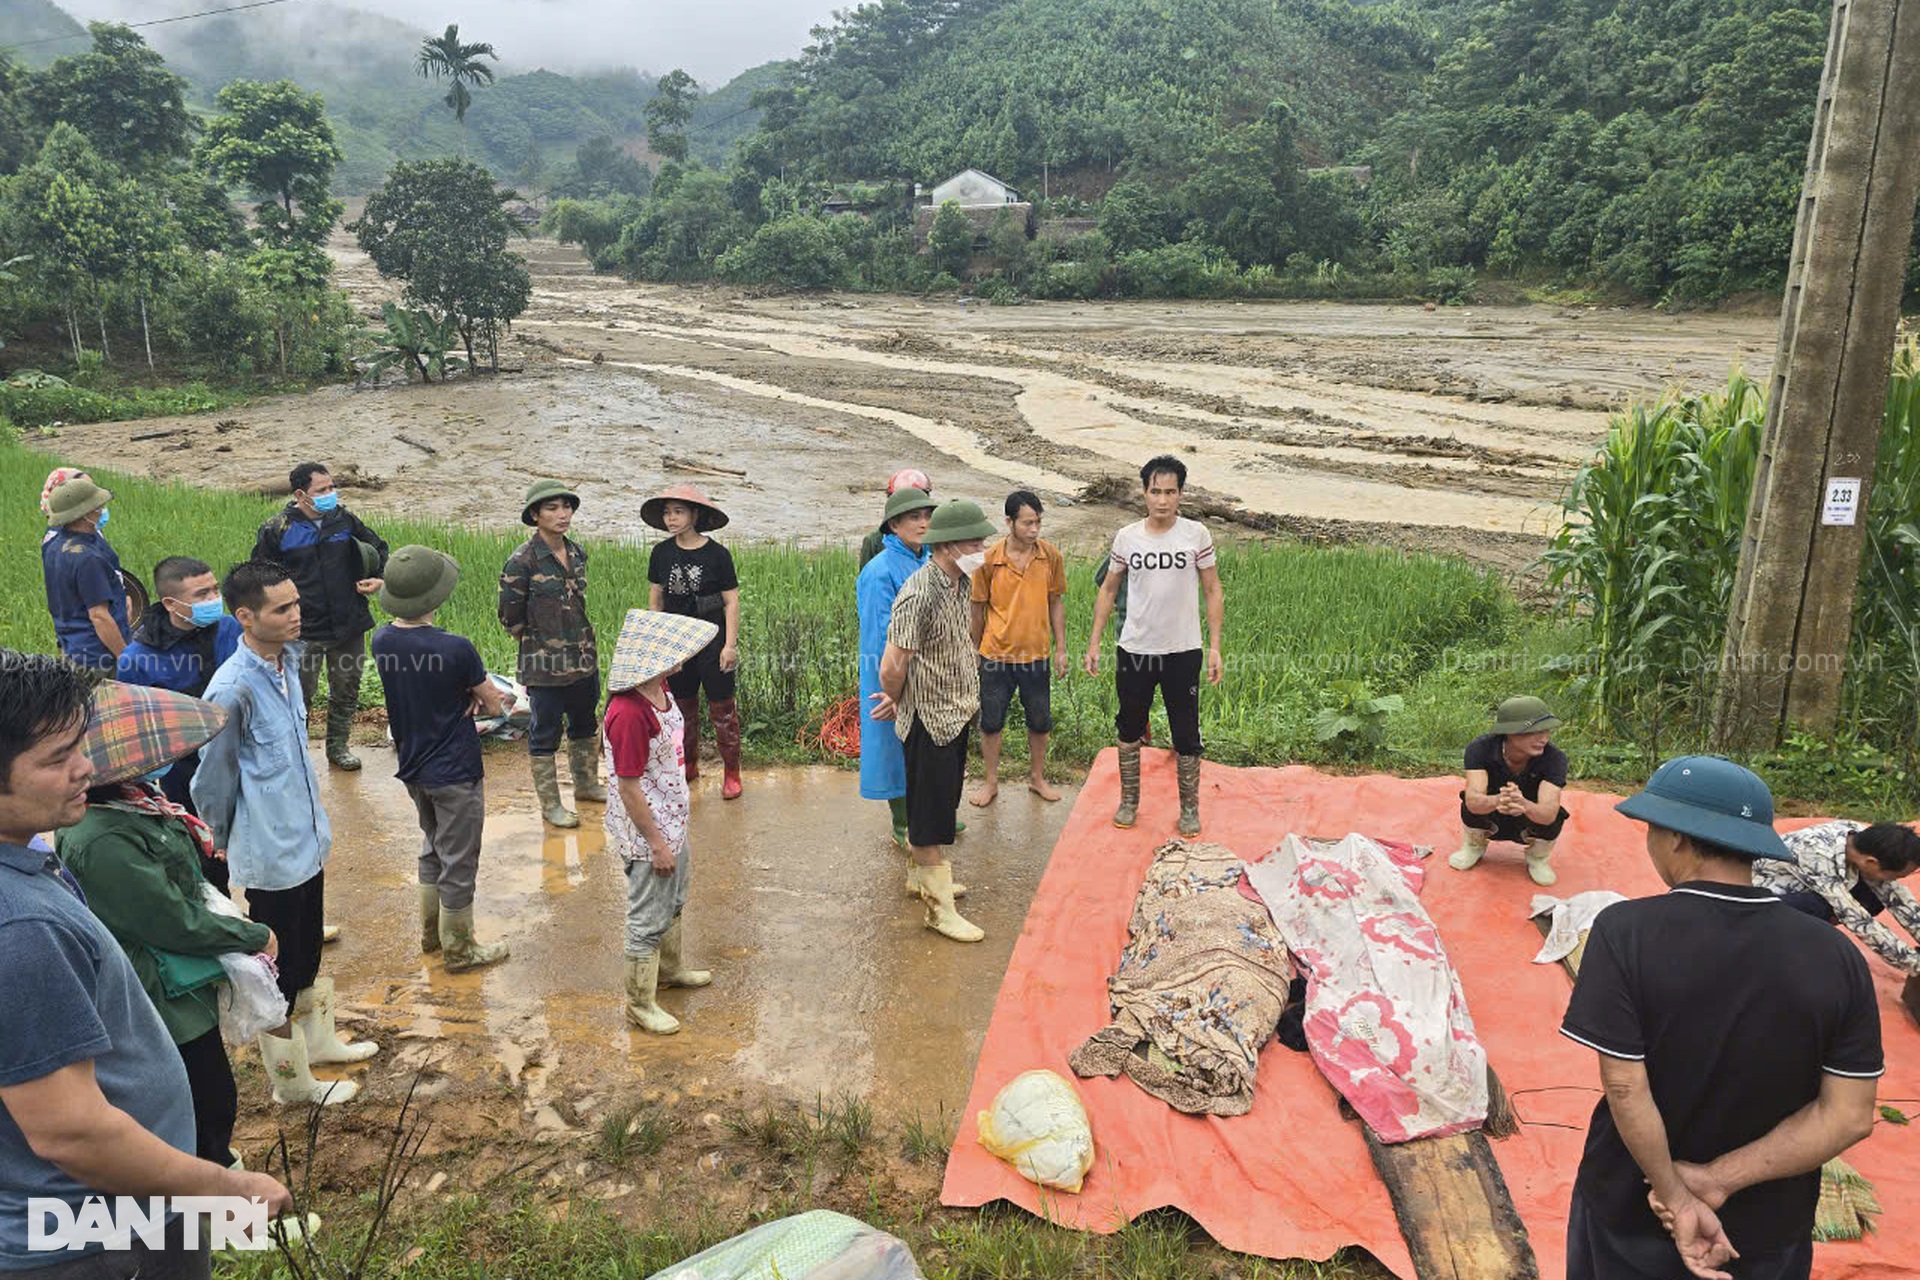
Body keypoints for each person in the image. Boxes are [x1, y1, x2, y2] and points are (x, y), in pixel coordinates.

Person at [0, 650, 291, 1278]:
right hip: (89, 1229)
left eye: (81, 745)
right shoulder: (20, 926)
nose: (85, 768)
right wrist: (223, 1190)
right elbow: (70, 1132)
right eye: (56, 760)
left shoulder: (29, 858)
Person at [1561, 755, 1881, 1280]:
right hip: (1768, 1224)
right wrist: (1717, 1180)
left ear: (1677, 839)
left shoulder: (1626, 931)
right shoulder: (1836, 954)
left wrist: (1675, 1196)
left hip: (1632, 1207)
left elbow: (1625, 1087)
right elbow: (1849, 1115)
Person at [58, 682, 276, 1170]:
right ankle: (220, 1213)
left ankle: (220, 1182)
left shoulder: (135, 799)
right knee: (202, 1100)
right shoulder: (99, 839)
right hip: (156, 987)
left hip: (178, 978)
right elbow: (169, 921)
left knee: (211, 1095)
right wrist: (254, 935)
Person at [193, 561, 377, 1107]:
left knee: (309, 954)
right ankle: (292, 1085)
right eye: (283, 609)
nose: (297, 615)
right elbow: (212, 776)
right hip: (270, 851)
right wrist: (220, 837)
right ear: (245, 616)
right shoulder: (232, 688)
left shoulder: (289, 662)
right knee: (280, 969)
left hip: (306, 839)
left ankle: (319, 1043)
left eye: (297, 603)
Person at [370, 546, 512, 973]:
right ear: (436, 597)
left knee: (432, 845)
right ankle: (460, 948)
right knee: (460, 857)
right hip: (454, 769)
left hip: (413, 764)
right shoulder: (457, 649)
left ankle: (431, 934)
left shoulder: (382, 639)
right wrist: (482, 695)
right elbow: (493, 706)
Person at [871, 499, 996, 943]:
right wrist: (897, 699)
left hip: (955, 711)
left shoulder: (958, 583)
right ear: (947, 546)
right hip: (930, 718)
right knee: (927, 816)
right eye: (975, 542)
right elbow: (892, 663)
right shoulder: (919, 592)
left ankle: (920, 876)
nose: (983, 548)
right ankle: (938, 911)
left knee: (940, 805)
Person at [1082, 455, 1224, 837]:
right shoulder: (1128, 537)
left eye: (1171, 492)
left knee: (1186, 730)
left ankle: (1190, 808)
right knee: (1129, 726)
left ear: (1181, 494)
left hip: (1183, 650)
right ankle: (1129, 801)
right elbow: (1109, 589)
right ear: (1144, 493)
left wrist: (1214, 646)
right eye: (1155, 491)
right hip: (1135, 649)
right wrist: (1094, 641)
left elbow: (1212, 589)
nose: (1163, 500)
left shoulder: (1196, 535)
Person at [602, 609, 721, 1036]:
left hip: (671, 818)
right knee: (646, 916)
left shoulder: (660, 689)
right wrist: (656, 844)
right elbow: (629, 786)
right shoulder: (629, 713)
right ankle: (639, 1003)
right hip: (647, 830)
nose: (682, 658)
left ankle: (669, 971)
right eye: (674, 653)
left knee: (673, 900)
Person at [252, 462, 388, 771]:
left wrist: (378, 577)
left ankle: (338, 747)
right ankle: (296, 752)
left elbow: (378, 548)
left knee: (347, 688)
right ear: (301, 494)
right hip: (302, 630)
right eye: (322, 490)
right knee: (299, 695)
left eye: (331, 488)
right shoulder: (278, 529)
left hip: (349, 623)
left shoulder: (344, 520)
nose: (330, 495)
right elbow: (259, 576)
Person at [498, 479, 603, 830]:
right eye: (552, 508)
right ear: (535, 515)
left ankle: (587, 785)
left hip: (583, 657)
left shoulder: (576, 552)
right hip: (544, 667)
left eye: (567, 507)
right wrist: (541, 644)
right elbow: (509, 618)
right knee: (544, 733)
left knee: (585, 723)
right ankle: (551, 805)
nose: (563, 514)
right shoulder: (522, 562)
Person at [116, 556, 243, 823]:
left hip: (238, 754)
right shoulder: (138, 660)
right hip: (185, 771)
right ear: (171, 604)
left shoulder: (230, 629)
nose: (213, 599)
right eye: (202, 594)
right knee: (203, 843)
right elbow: (135, 732)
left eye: (215, 589)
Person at [643, 484, 744, 800]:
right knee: (682, 708)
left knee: (722, 709)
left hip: (712, 643)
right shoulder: (661, 553)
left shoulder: (717, 555)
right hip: (677, 643)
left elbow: (731, 601)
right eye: (667, 512)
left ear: (695, 514)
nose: (671, 518)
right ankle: (688, 765)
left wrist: (730, 645)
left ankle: (732, 773)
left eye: (678, 511)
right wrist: (658, 643)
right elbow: (656, 599)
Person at [969, 490, 1067, 807]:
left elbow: (1056, 603)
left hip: (1036, 655)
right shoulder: (988, 560)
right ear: (1009, 522)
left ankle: (1037, 778)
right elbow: (977, 609)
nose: (1034, 530)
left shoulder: (1050, 556)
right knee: (991, 722)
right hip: (995, 654)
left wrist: (1061, 647)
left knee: (1039, 721)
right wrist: (974, 651)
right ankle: (991, 782)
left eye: (1038, 522)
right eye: (1027, 523)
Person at [857, 486, 940, 846]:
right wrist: (891, 685)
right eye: (913, 517)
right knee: (894, 746)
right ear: (893, 524)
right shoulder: (880, 571)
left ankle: (932, 813)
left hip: (929, 670)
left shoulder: (928, 558)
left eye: (927, 516)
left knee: (927, 743)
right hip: (892, 669)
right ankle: (903, 823)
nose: (923, 523)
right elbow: (878, 633)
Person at [1757, 820, 1920, 974]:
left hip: (1814, 884)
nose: (1894, 881)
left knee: (1875, 896)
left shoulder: (1862, 839)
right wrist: (1914, 964)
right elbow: (1854, 917)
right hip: (1760, 900)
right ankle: (1781, 945)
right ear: (1871, 862)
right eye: (1895, 876)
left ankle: (1811, 930)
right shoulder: (1815, 853)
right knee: (1820, 906)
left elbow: (1897, 897)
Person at [1449, 695, 1571, 886]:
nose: (1544, 738)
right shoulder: (1480, 749)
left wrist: (1524, 805)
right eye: (1535, 732)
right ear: (1511, 732)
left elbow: (1547, 813)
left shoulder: (1555, 759)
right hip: (1491, 814)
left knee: (1556, 816)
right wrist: (1499, 800)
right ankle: (1473, 846)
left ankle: (1538, 859)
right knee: (1468, 802)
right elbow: (1474, 800)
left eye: (1547, 730)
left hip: (1529, 819)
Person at [40, 476, 130, 671]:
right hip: (98, 657)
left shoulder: (53, 543)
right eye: (98, 506)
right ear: (85, 514)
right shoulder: (88, 558)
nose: (101, 509)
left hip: (72, 646)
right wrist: (125, 657)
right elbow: (99, 616)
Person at [858, 468, 934, 569]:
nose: (923, 524)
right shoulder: (875, 541)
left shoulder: (935, 538)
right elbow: (865, 579)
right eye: (914, 517)